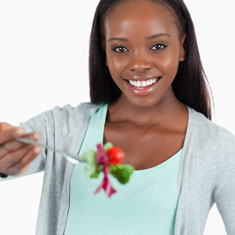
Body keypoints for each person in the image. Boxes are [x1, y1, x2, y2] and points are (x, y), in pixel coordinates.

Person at [0, 0, 235, 234]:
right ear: (104, 53)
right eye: (120, 49)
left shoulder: (217, 148)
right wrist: (5, 157)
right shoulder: (62, 129)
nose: (139, 65)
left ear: (182, 47)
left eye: (158, 46)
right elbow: (12, 149)